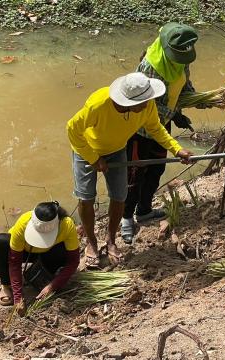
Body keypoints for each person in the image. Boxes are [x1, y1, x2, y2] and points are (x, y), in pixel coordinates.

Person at [67, 72, 192, 267]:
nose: (147, 105)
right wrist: (93, 158)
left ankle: (110, 241)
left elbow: (156, 128)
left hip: (117, 149)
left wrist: (176, 149)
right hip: (87, 150)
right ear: (127, 102)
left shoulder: (146, 105)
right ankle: (91, 242)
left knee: (119, 196)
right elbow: (72, 130)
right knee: (86, 197)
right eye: (142, 102)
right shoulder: (98, 105)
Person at [121, 23, 205, 243]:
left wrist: (195, 102)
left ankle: (145, 209)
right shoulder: (150, 66)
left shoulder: (181, 61)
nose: (182, 61)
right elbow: (144, 103)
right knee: (135, 174)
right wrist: (174, 113)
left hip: (162, 125)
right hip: (141, 129)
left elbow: (184, 87)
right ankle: (126, 217)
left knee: (157, 168)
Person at [0, 201, 80, 316]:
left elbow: (73, 261)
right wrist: (18, 298)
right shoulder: (23, 222)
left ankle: (44, 274)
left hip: (48, 252)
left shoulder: (67, 225)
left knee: (63, 250)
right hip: (25, 251)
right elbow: (14, 262)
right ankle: (6, 285)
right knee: (0, 243)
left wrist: (53, 285)